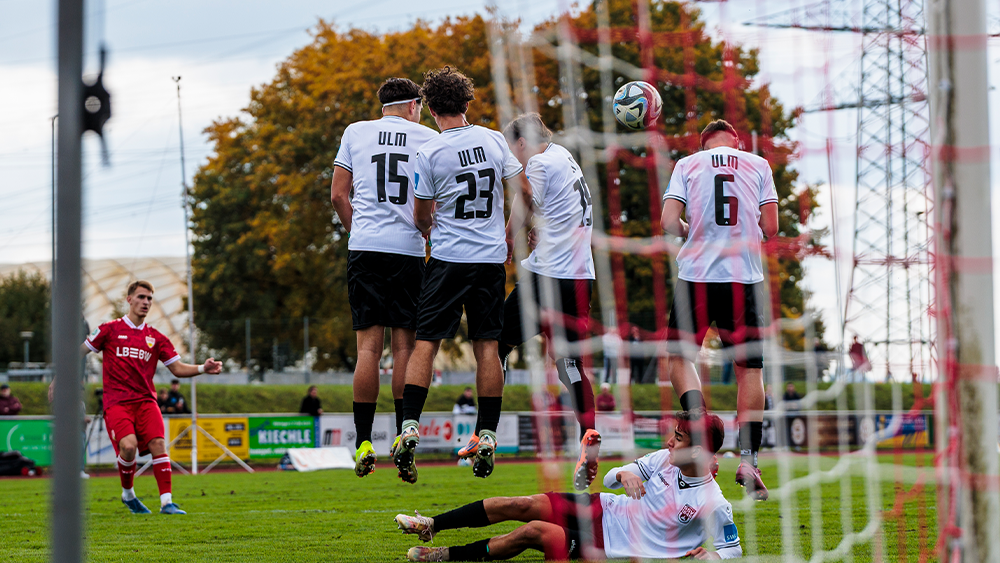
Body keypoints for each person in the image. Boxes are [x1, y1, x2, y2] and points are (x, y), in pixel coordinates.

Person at [393, 66, 531, 483]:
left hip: (449, 259)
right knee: (488, 347)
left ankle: (410, 425)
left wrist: (426, 227)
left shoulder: (429, 152)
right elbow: (524, 193)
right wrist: (509, 234)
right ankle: (487, 433)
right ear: (467, 103)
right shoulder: (492, 139)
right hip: (489, 260)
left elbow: (421, 213)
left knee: (426, 344)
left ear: (431, 108)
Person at [455, 113, 601, 490]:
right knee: (569, 361)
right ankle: (588, 437)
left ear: (522, 143)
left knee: (495, 345)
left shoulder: (536, 161)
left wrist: (507, 237)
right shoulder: (564, 156)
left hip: (547, 277)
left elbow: (526, 198)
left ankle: (484, 434)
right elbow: (556, 208)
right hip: (581, 277)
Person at [396, 411, 741, 561]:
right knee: (522, 504)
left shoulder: (712, 501)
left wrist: (713, 555)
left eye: (677, 439)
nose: (668, 443)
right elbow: (609, 477)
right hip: (600, 506)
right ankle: (433, 525)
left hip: (608, 544)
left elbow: (733, 549)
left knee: (534, 530)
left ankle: (445, 556)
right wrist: (623, 474)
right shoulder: (663, 459)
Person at [660, 119, 779, 501]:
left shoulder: (687, 165)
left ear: (703, 144)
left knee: (679, 358)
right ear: (737, 142)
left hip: (695, 275)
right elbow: (772, 227)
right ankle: (748, 459)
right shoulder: (757, 164)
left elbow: (667, 223)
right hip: (743, 277)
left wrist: (690, 228)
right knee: (750, 369)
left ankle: (698, 429)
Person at [332, 77, 439, 479]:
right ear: (413, 106)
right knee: (404, 350)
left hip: (366, 248)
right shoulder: (426, 138)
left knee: (367, 352)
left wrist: (356, 232)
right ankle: (400, 435)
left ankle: (362, 442)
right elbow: (431, 201)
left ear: (383, 107)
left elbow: (338, 196)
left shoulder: (355, 132)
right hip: (408, 250)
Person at [82, 280, 222, 514]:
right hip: (117, 402)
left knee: (158, 444)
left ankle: (167, 503)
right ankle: (128, 495)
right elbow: (80, 351)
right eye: (141, 297)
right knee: (128, 447)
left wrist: (202, 368)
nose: (145, 302)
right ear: (129, 299)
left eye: (149, 298)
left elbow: (177, 369)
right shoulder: (109, 329)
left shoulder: (156, 337)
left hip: (146, 401)